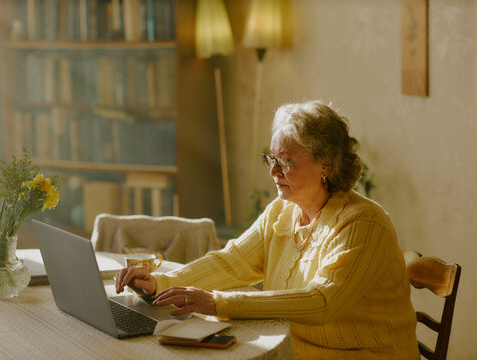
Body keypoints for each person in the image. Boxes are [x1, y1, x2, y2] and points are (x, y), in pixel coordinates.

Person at [115, 100, 419, 359]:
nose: (273, 172)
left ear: (326, 164)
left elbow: (322, 301)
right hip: (296, 349)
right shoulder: (283, 210)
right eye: (271, 158)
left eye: (285, 161)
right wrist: (160, 282)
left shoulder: (361, 223)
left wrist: (217, 302)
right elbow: (233, 262)